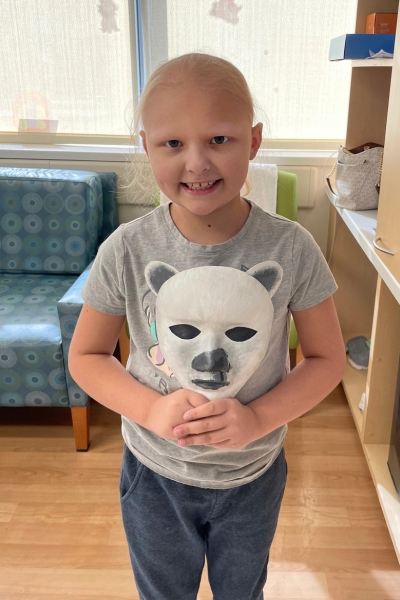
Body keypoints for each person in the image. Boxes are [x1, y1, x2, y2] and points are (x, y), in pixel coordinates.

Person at [69, 52, 345, 600]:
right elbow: (85, 356)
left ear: (255, 141)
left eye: (219, 139)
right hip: (155, 475)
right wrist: (150, 408)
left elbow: (328, 358)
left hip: (253, 475)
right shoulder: (126, 248)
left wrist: (259, 417)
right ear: (147, 146)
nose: (196, 163)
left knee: (242, 592)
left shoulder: (291, 248)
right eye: (173, 144)